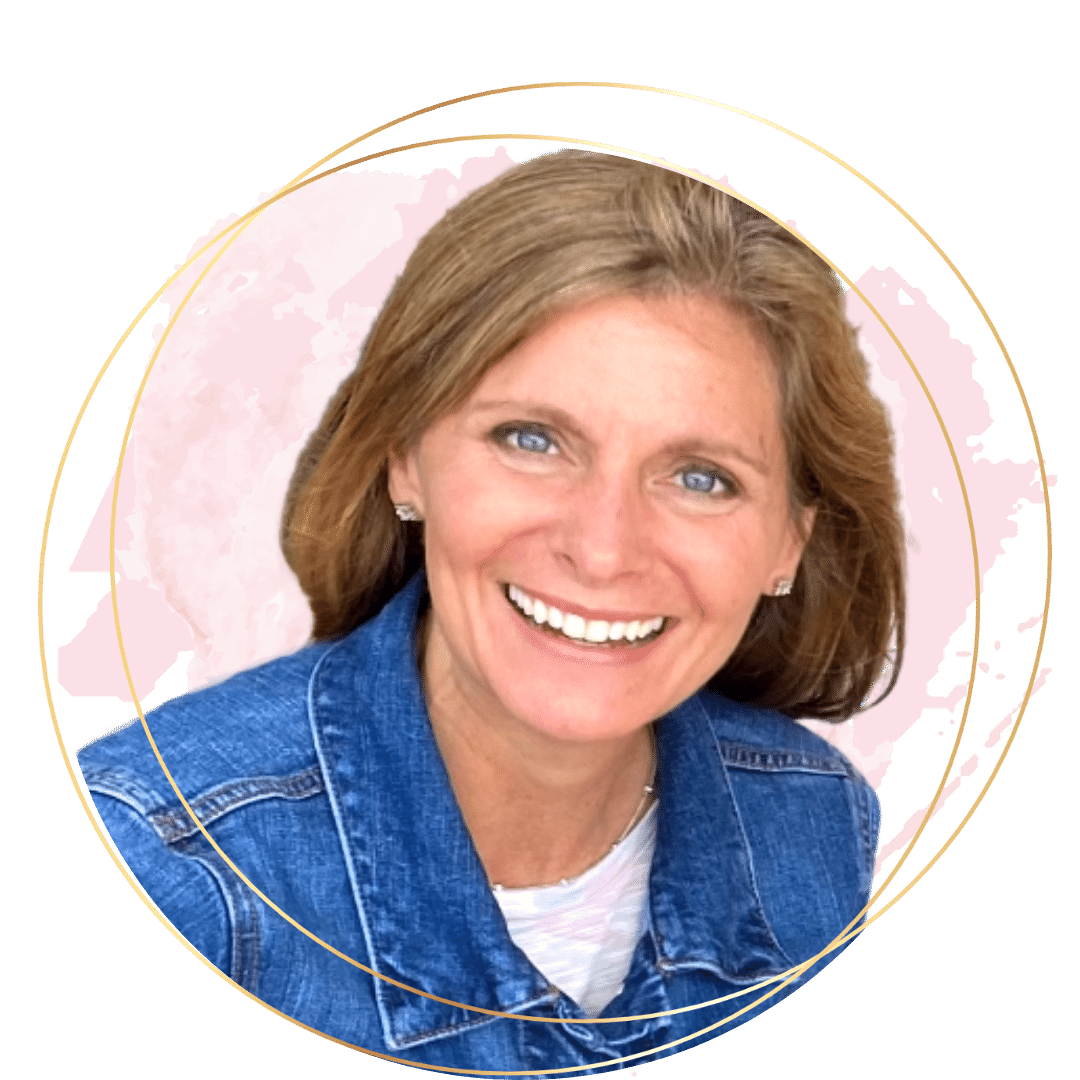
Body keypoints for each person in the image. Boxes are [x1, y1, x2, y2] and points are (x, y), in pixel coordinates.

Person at [75, 150, 904, 1075]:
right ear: (404, 457)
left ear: (787, 543)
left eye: (702, 478)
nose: (603, 549)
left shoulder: (817, 822)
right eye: (532, 439)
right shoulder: (163, 862)